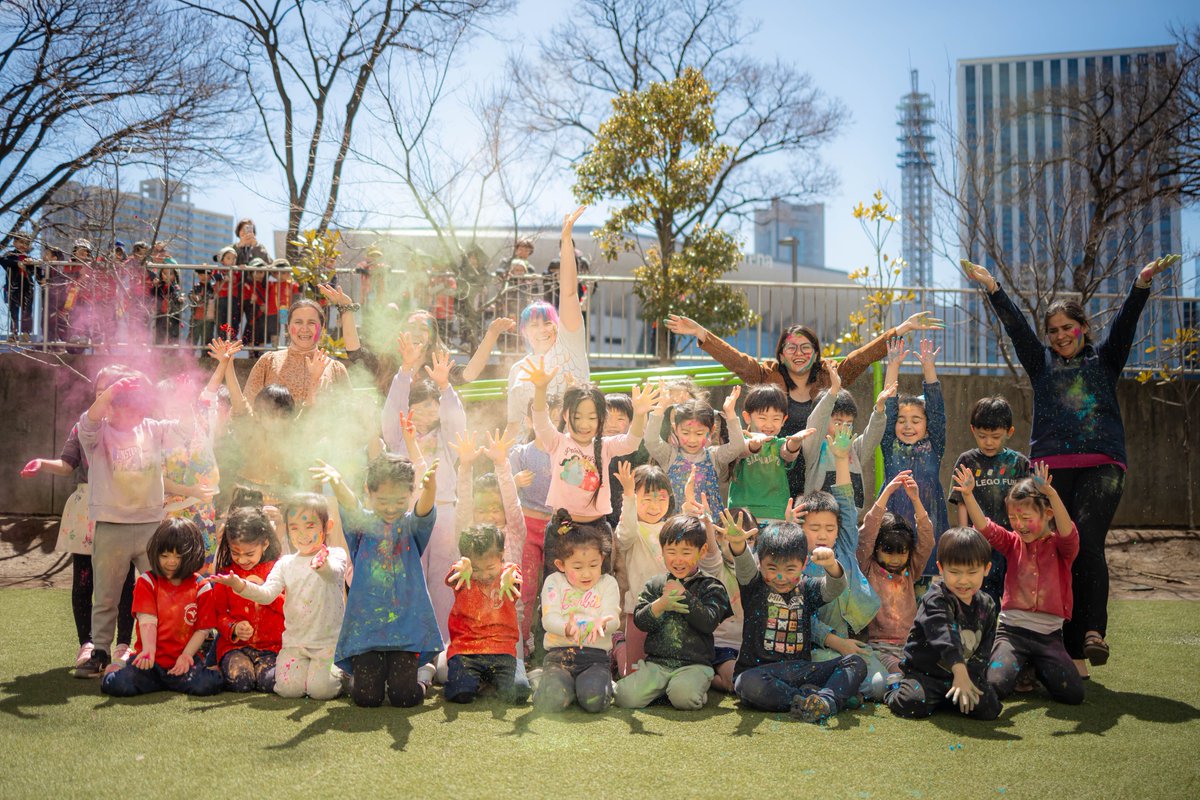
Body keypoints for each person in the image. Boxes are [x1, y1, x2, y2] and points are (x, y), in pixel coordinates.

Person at [961, 253, 1178, 675]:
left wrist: (1142, 283)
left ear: (1083, 328)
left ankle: (1091, 633)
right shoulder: (1040, 363)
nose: (1061, 336)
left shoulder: (1106, 359)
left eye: (1068, 328)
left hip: (1103, 464)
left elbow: (1126, 324)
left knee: (1084, 540)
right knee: (1050, 550)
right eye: (1054, 331)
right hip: (1049, 471)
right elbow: (1016, 328)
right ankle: (1061, 650)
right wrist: (993, 288)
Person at [664, 309, 944, 498]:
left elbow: (861, 357)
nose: (799, 353)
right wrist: (702, 333)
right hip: (775, 468)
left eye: (805, 348)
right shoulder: (767, 375)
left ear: (816, 353)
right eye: (791, 348)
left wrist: (902, 328)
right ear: (782, 355)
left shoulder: (829, 375)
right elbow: (736, 359)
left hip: (817, 470)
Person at [20, 365, 137, 670]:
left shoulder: (138, 426)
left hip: (123, 508)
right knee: (83, 578)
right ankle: (87, 644)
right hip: (87, 508)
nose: (102, 396)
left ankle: (124, 643)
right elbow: (67, 463)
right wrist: (43, 463)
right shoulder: (83, 425)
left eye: (108, 391)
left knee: (126, 580)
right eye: (98, 391)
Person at [75, 372, 183, 678]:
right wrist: (108, 393)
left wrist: (184, 398)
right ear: (112, 407)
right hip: (111, 525)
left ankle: (161, 649)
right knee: (106, 594)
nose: (133, 414)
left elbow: (186, 429)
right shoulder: (98, 434)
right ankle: (100, 652)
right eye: (125, 407)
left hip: (151, 525)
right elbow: (87, 422)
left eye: (139, 408)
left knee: (162, 590)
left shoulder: (154, 429)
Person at [314, 455, 441, 708]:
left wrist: (431, 489)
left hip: (404, 630)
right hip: (368, 629)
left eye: (399, 501)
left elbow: (424, 510)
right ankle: (360, 677)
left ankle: (423, 676)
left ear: (410, 494)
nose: (392, 508)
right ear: (368, 493)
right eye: (383, 501)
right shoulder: (362, 525)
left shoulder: (409, 527)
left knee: (404, 697)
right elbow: (351, 506)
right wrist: (338, 484)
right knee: (366, 698)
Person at [955, 464, 1085, 706]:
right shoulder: (1012, 543)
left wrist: (1051, 493)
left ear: (1047, 514)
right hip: (1012, 634)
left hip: (1049, 638)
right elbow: (985, 528)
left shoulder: (1062, 547)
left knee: (1072, 694)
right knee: (995, 685)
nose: (1019, 525)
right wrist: (968, 495)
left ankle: (1035, 666)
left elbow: (1068, 533)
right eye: (1013, 518)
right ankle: (1022, 665)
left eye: (1026, 518)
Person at [725, 515, 864, 723]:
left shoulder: (807, 589)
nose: (780, 577)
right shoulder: (754, 587)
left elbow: (835, 587)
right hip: (758, 673)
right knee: (746, 684)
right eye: (772, 568)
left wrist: (831, 564)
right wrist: (738, 545)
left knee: (855, 662)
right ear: (760, 564)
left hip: (801, 670)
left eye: (790, 569)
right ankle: (813, 698)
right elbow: (744, 567)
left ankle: (826, 701)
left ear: (804, 564)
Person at [212, 493, 348, 700]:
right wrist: (239, 584)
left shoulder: (335, 555)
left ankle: (340, 675)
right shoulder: (285, 563)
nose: (301, 534)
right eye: (294, 527)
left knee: (321, 692)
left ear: (327, 526)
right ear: (286, 528)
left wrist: (323, 565)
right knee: (287, 690)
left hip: (326, 643)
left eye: (309, 526)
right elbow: (266, 595)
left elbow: (334, 573)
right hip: (294, 644)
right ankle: (311, 675)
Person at [614, 514, 732, 710]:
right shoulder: (655, 584)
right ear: (662, 552)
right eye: (671, 552)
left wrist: (685, 597)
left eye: (686, 552)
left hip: (694, 665)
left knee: (684, 698)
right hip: (657, 664)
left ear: (702, 551)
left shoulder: (711, 586)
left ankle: (686, 689)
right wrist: (660, 605)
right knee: (624, 697)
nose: (678, 560)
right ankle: (663, 688)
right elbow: (641, 621)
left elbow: (709, 622)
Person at [885, 527, 1001, 721]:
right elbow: (944, 634)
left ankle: (950, 697)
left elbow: (984, 649)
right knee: (913, 704)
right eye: (954, 572)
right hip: (925, 674)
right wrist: (959, 670)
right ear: (941, 568)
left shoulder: (987, 604)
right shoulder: (936, 598)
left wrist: (971, 678)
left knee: (990, 709)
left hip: (962, 675)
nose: (963, 580)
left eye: (972, 572)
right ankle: (894, 686)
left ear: (986, 569)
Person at [100, 519, 223, 697]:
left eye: (178, 556)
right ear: (156, 553)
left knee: (208, 685)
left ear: (192, 554)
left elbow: (203, 630)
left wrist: (187, 655)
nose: (171, 562)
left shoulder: (201, 586)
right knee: (119, 685)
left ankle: (209, 667)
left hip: (184, 662)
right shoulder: (147, 581)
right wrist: (149, 650)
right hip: (149, 663)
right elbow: (147, 620)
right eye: (165, 555)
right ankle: (115, 669)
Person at [803, 431, 885, 700]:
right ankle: (839, 692)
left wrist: (841, 459)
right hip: (820, 645)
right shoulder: (799, 564)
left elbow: (847, 505)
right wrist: (838, 644)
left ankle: (842, 691)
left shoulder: (845, 546)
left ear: (839, 530)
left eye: (829, 527)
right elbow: (804, 619)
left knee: (877, 686)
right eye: (814, 528)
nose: (823, 534)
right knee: (828, 668)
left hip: (854, 637)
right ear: (801, 529)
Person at [505, 207, 592, 437]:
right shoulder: (518, 369)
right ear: (524, 332)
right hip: (530, 455)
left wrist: (566, 242)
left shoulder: (569, 345)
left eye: (546, 322)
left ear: (557, 325)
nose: (541, 329)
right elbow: (514, 424)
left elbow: (570, 293)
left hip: (573, 448)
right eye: (533, 325)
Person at [948, 395, 1030, 604]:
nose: (989, 442)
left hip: (1012, 543)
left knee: (1015, 597)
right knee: (983, 598)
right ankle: (984, 634)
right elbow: (961, 501)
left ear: (1009, 432)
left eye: (995, 436)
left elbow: (1029, 506)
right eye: (982, 436)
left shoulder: (1019, 463)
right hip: (980, 544)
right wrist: (965, 535)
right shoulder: (967, 461)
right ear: (972, 430)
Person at [532, 522, 621, 713]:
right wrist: (567, 628)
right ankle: (551, 682)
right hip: (558, 658)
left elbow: (613, 619)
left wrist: (602, 623)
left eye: (593, 565)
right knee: (553, 701)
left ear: (602, 559)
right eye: (578, 567)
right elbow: (549, 619)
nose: (587, 573)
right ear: (561, 565)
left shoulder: (608, 583)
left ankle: (600, 683)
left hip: (595, 658)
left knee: (593, 700)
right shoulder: (554, 581)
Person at [857, 471, 935, 674]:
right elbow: (867, 534)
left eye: (902, 553)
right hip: (878, 648)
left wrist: (916, 500)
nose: (895, 559)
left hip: (910, 645)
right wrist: (887, 493)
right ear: (876, 549)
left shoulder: (911, 569)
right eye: (888, 551)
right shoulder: (868, 568)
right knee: (900, 671)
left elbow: (927, 541)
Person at [881, 337, 947, 574]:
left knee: (925, 582)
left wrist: (928, 368)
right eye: (902, 421)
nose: (908, 426)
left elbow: (937, 411)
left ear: (927, 426)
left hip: (928, 519)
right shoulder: (889, 445)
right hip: (893, 522)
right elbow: (887, 409)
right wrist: (893, 366)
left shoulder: (934, 445)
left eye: (916, 420)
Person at [444, 524, 528, 704]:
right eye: (477, 569)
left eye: (490, 567)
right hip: (467, 649)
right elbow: (455, 573)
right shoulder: (464, 575)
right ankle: (480, 681)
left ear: (501, 556)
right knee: (461, 694)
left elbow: (512, 573)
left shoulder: (509, 574)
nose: (484, 575)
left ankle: (501, 676)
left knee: (519, 692)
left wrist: (507, 576)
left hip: (502, 649)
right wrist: (462, 568)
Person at [210, 506, 285, 693]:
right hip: (236, 648)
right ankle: (216, 666)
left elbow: (291, 610)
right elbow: (219, 616)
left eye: (249, 554)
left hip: (272, 648)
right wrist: (233, 628)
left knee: (269, 682)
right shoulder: (227, 576)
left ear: (265, 544)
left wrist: (264, 591)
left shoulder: (278, 570)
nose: (242, 560)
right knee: (241, 681)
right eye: (236, 553)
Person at [611, 462, 674, 675]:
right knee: (632, 672)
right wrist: (628, 495)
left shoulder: (672, 528)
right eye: (646, 499)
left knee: (663, 665)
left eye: (661, 498)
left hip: (668, 609)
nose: (654, 506)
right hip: (638, 609)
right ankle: (619, 647)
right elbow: (625, 533)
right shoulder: (632, 530)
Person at [644, 387, 747, 517]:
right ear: (675, 429)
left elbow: (737, 446)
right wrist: (660, 408)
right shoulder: (669, 455)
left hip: (709, 525)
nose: (692, 440)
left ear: (711, 430)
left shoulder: (714, 456)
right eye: (686, 433)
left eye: (699, 433)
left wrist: (730, 413)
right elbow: (651, 441)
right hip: (678, 522)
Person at [727, 383, 812, 524]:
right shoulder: (740, 441)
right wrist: (754, 445)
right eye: (762, 418)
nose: (769, 424)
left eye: (776, 419)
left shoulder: (778, 444)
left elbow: (787, 453)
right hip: (742, 513)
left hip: (776, 513)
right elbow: (740, 450)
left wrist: (795, 442)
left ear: (784, 420)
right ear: (747, 417)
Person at [243, 297, 350, 408]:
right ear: (288, 327)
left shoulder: (335, 369)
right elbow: (247, 408)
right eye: (298, 322)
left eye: (311, 323)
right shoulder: (269, 362)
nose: (305, 328)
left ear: (322, 327)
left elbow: (348, 415)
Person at [804, 383, 893, 511]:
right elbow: (817, 419)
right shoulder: (815, 447)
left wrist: (879, 410)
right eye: (838, 422)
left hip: (849, 516)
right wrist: (832, 394)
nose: (843, 428)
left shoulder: (853, 449)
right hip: (820, 515)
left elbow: (872, 437)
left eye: (849, 423)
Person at [2, 232, 42, 340]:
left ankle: (26, 332)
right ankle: (13, 332)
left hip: (27, 288)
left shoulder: (30, 258)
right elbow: (3, 261)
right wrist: (17, 263)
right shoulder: (10, 255)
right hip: (14, 287)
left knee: (27, 311)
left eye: (26, 243)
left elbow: (38, 273)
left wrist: (37, 266)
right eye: (21, 242)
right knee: (14, 310)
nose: (23, 246)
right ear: (15, 243)